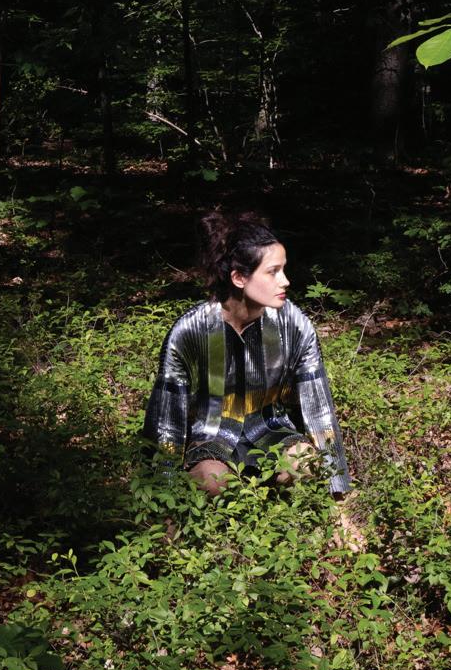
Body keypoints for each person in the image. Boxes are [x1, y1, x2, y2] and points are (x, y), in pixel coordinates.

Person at [143, 209, 353, 502]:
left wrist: (337, 487)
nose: (285, 281)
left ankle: (275, 502)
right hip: (211, 436)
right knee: (211, 481)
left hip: (273, 428)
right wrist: (160, 493)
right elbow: (166, 419)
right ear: (239, 277)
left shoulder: (295, 323)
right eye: (273, 272)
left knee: (306, 465)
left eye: (283, 269)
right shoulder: (189, 331)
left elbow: (319, 406)